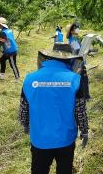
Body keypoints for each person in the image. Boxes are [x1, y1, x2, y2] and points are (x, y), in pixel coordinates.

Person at [18, 43, 88, 174]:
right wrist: (84, 131)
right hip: (65, 139)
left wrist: (26, 126)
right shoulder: (75, 79)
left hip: (39, 139)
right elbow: (80, 111)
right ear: (70, 60)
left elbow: (23, 110)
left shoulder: (30, 79)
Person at [66, 22, 91, 100]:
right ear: (71, 31)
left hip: (77, 62)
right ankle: (85, 96)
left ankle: (84, 96)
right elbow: (78, 51)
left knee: (82, 79)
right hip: (78, 62)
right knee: (83, 80)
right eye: (76, 28)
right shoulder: (73, 40)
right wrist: (88, 50)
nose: (78, 29)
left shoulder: (74, 39)